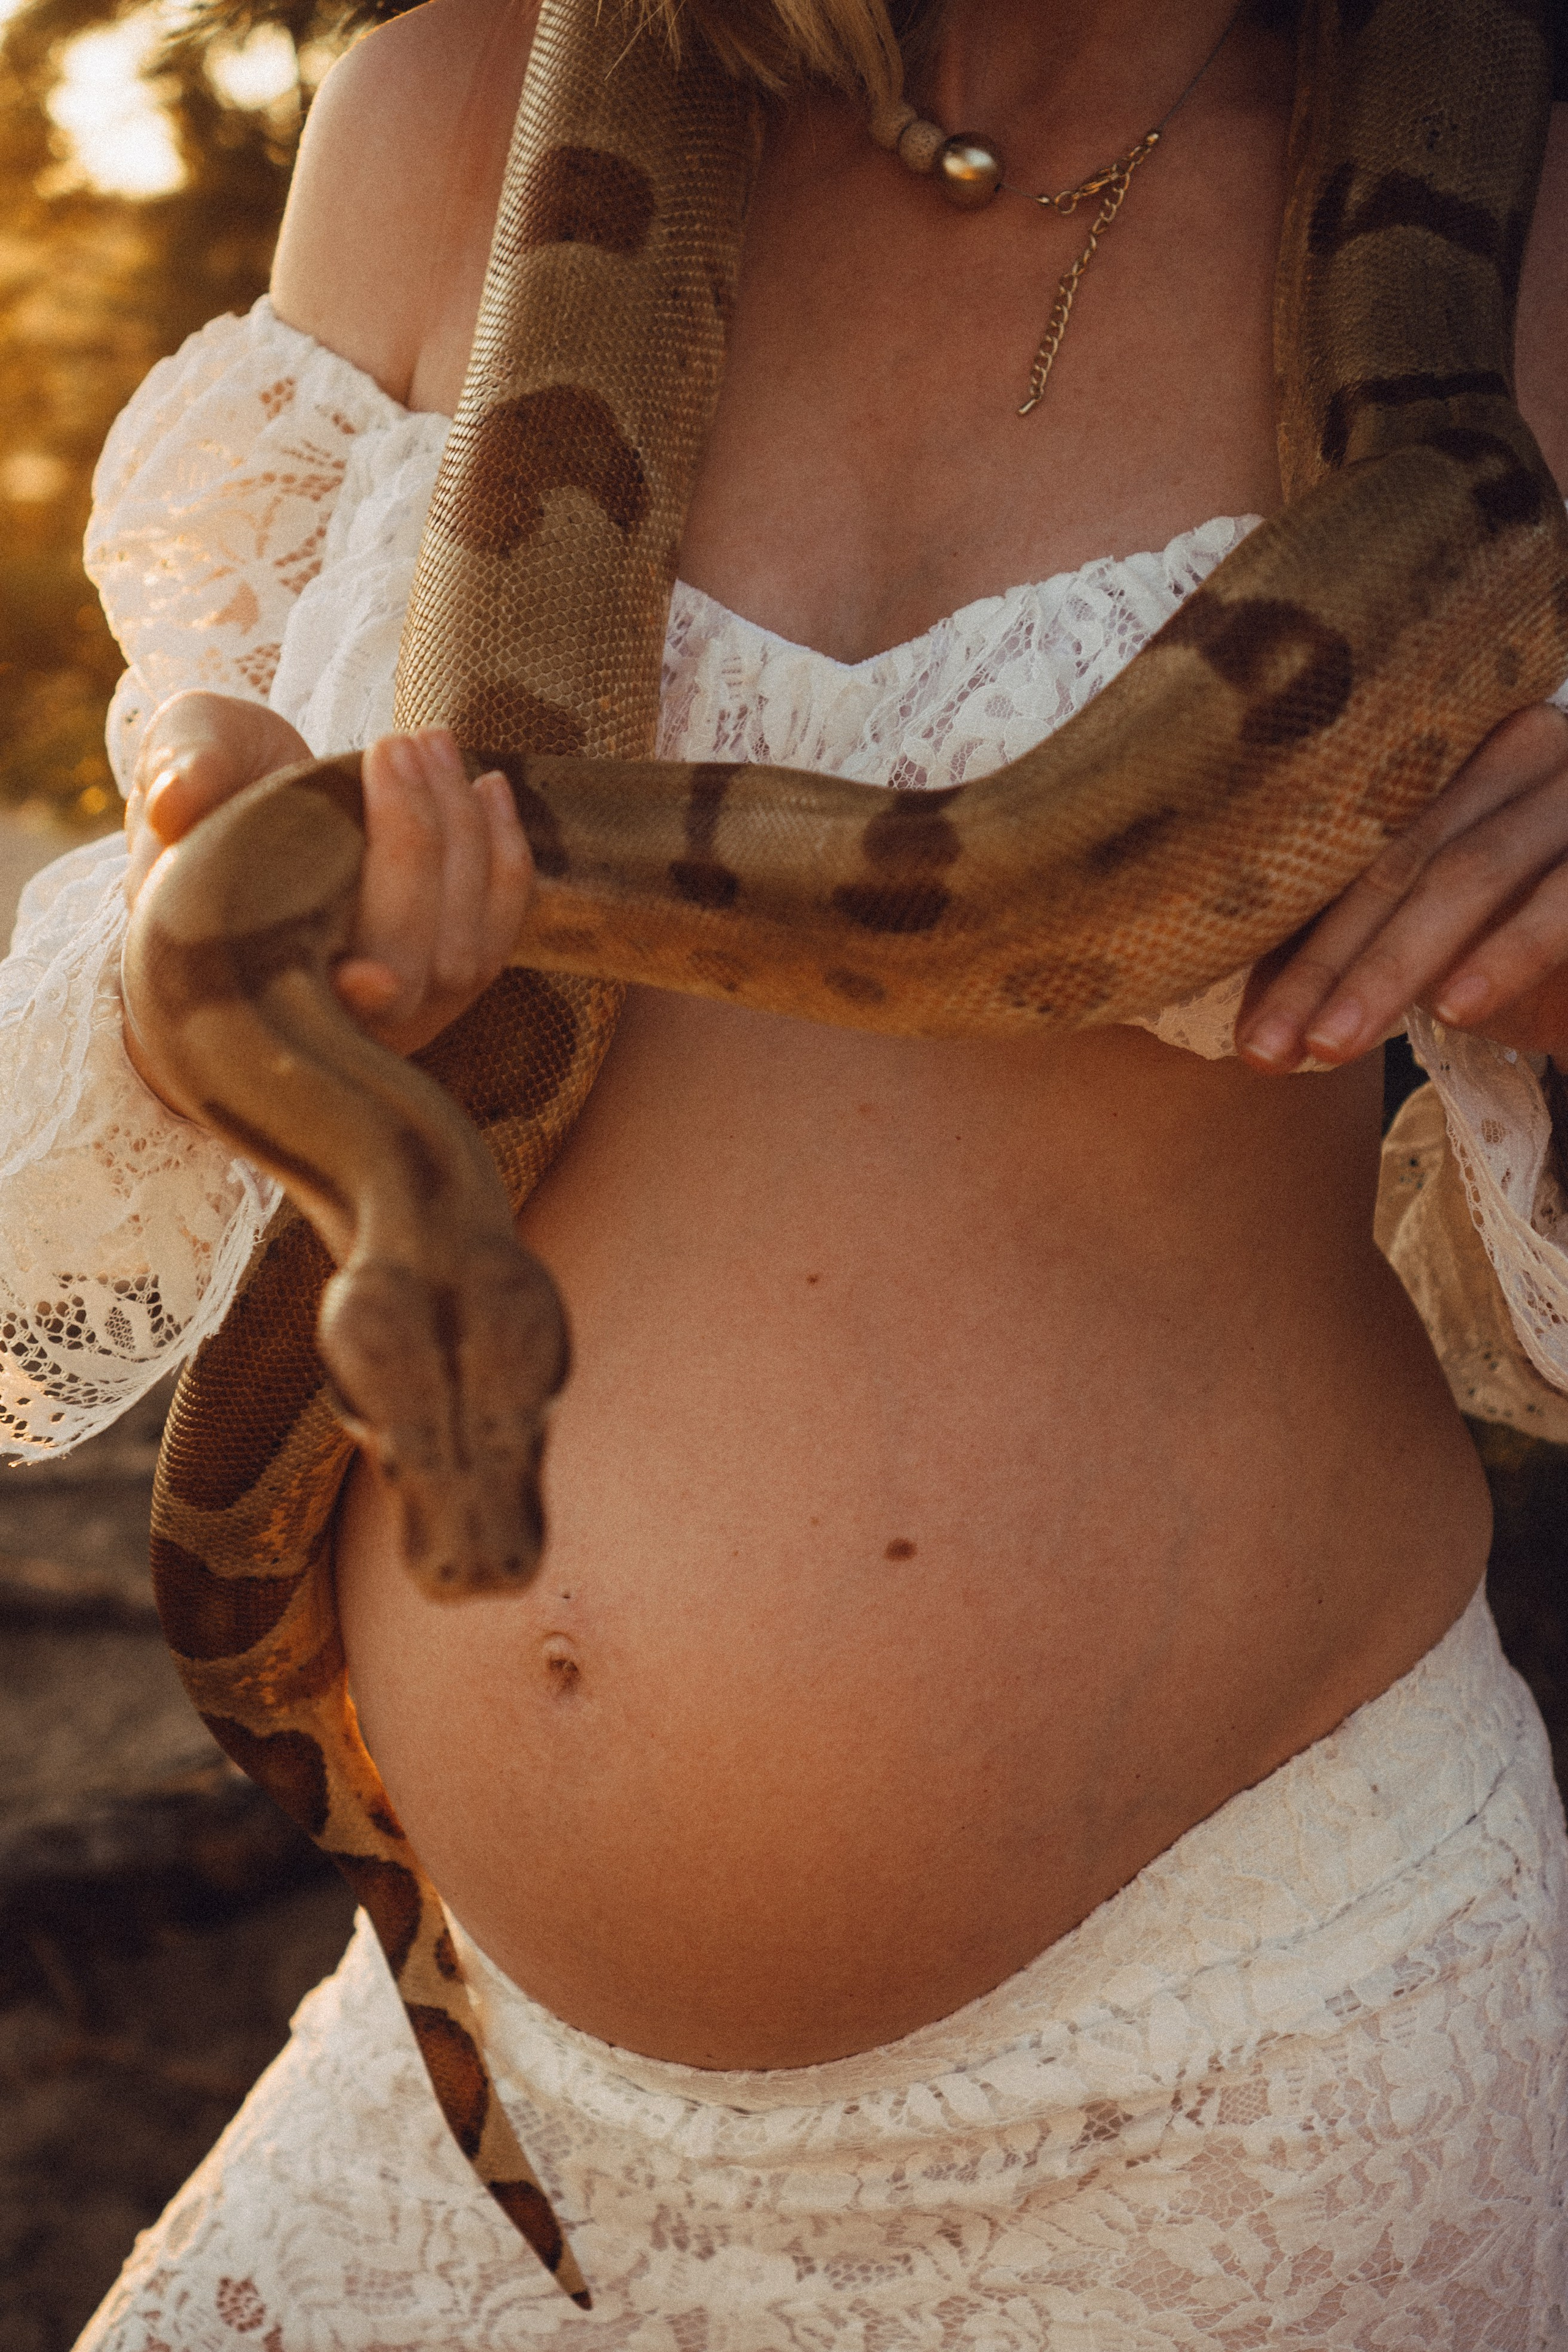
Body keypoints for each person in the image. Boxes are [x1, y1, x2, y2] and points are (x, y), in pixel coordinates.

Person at [10, 0, 1564, 2339]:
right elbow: (172, 871)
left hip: (1236, 2086)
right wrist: (218, 935)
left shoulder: (1524, 204)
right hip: (496, 2098)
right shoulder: (460, 102)